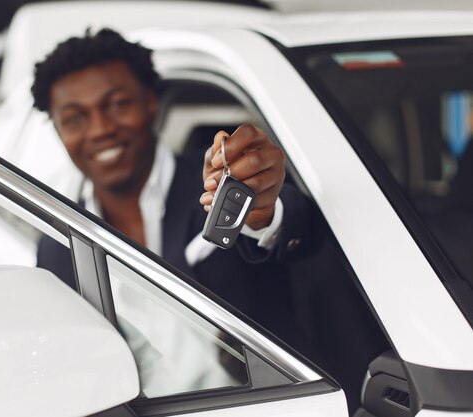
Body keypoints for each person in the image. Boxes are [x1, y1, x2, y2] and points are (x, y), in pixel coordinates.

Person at [32, 28, 315, 347]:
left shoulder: (222, 183)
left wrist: (262, 212)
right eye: (74, 119)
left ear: (151, 103)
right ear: (57, 129)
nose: (101, 129)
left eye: (118, 104)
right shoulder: (57, 247)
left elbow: (300, 226)